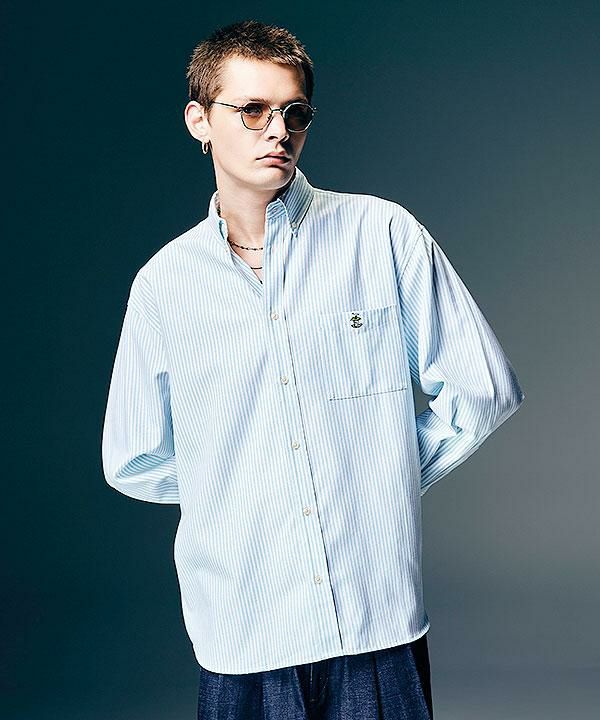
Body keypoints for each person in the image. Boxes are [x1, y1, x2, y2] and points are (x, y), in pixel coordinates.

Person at [101, 18, 525, 720]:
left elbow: (482, 389)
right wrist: (240, 490)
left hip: (374, 622)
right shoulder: (164, 285)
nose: (279, 131)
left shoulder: (381, 235)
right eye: (253, 110)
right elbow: (132, 456)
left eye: (294, 113)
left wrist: (378, 473)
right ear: (200, 121)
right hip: (241, 624)